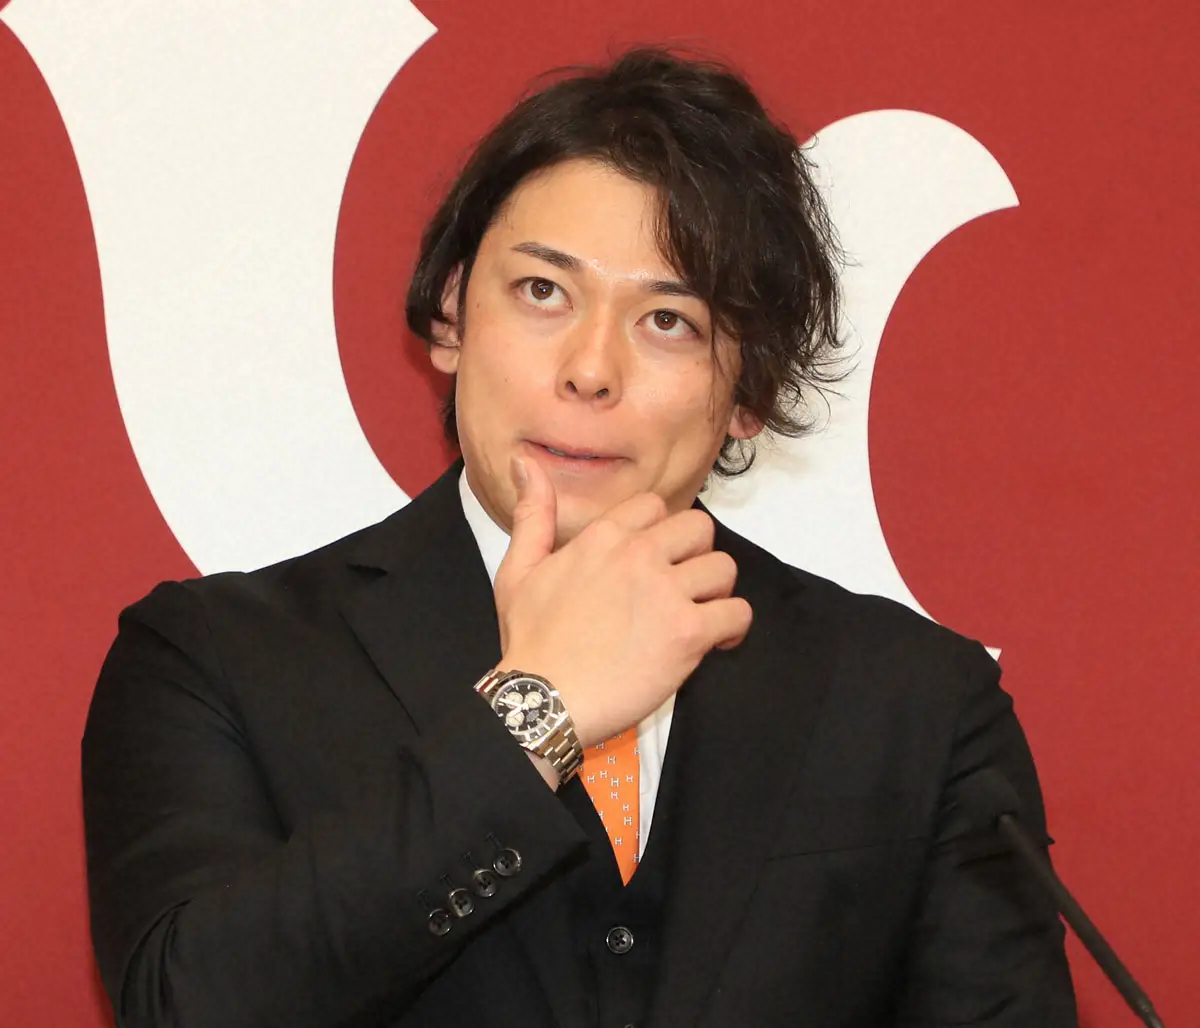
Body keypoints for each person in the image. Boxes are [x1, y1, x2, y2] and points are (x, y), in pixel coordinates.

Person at [82, 47, 1077, 1027]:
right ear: (450, 314)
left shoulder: (916, 701)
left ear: (751, 392)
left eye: (669, 320)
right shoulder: (215, 658)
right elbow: (185, 1005)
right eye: (543, 292)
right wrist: (536, 713)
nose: (591, 370)